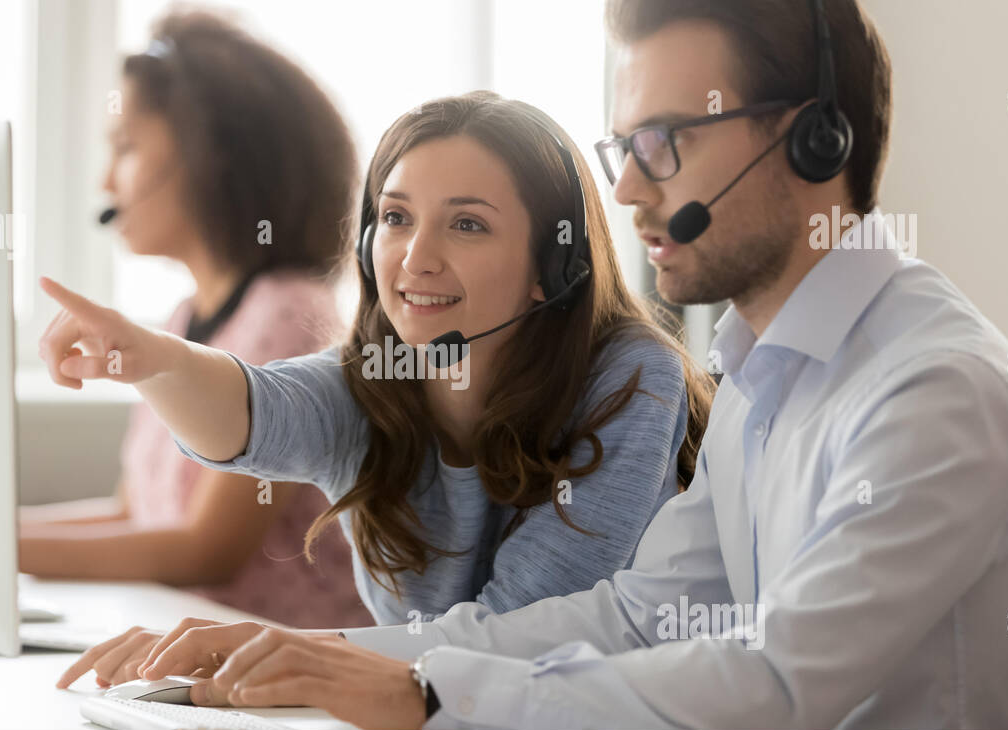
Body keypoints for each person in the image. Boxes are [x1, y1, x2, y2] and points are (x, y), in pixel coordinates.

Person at [54, 0, 1008, 730]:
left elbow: (777, 685)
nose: (623, 186)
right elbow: (641, 614)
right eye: (621, 142)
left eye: (665, 140)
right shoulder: (769, 372)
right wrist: (322, 661)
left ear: (813, 141)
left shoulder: (931, 390)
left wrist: (426, 692)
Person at [39, 89, 718, 677]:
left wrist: (300, 654)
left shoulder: (629, 378)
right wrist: (152, 358)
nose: (416, 258)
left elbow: (522, 632)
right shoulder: (376, 379)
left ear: (553, 265)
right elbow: (254, 408)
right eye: (395, 218)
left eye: (467, 224)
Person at [0, 8, 372, 629]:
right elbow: (137, 516)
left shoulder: (291, 314)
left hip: (275, 676)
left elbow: (206, 550)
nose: (105, 180)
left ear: (213, 157)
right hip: (182, 646)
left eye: (125, 148)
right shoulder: (183, 320)